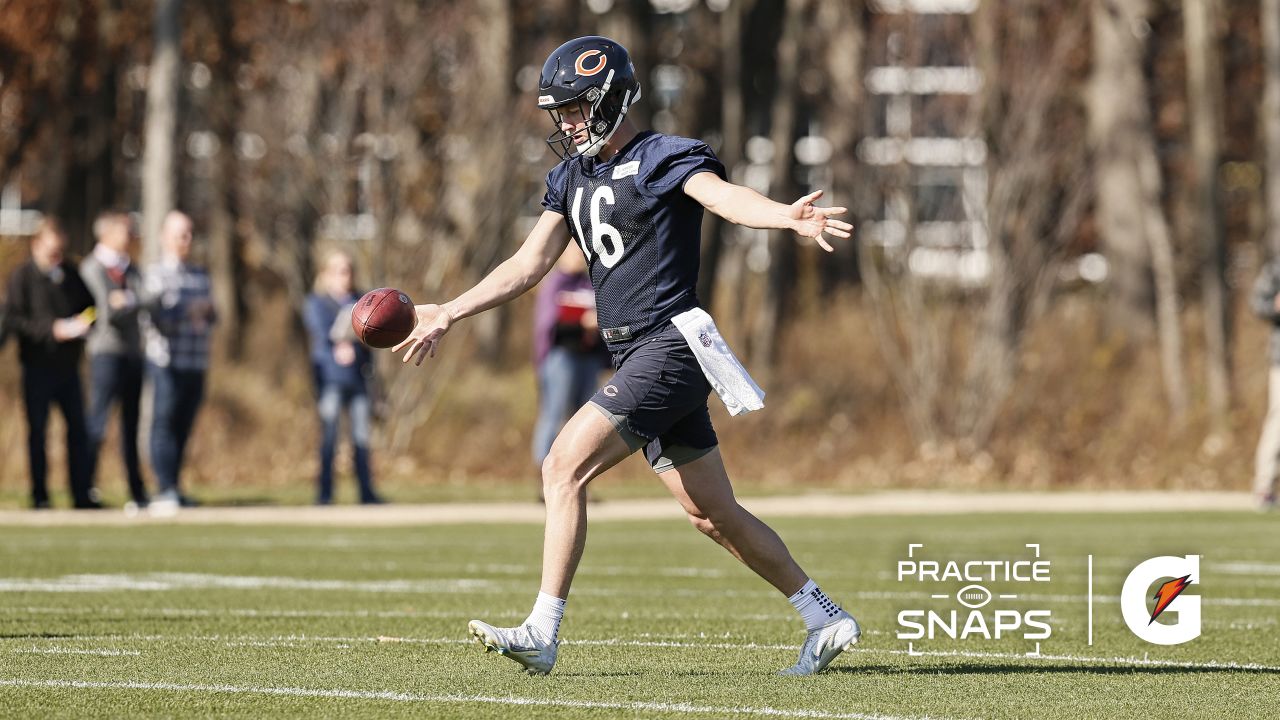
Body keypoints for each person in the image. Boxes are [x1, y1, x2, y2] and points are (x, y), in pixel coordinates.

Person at [394, 36, 857, 676]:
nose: (570, 122)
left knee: (561, 466)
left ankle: (542, 630)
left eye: (580, 108)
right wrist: (450, 309)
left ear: (614, 99)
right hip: (635, 353)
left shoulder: (664, 156)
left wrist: (784, 216)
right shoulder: (570, 177)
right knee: (710, 514)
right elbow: (528, 264)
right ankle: (824, 616)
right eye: (563, 112)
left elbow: (722, 197)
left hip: (671, 345)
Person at [4, 218, 99, 509]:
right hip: (37, 366)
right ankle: (40, 495)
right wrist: (51, 330)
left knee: (78, 432)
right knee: (38, 433)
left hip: (68, 367)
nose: (56, 257)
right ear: (37, 246)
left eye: (59, 252)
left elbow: (92, 308)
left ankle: (81, 494)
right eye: (51, 252)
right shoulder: (22, 277)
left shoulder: (70, 273)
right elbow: (14, 321)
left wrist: (83, 324)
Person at [143, 211, 216, 512]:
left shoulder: (200, 275)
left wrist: (207, 312)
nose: (185, 240)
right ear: (164, 237)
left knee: (184, 427)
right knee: (163, 425)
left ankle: (175, 485)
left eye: (188, 233)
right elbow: (153, 318)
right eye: (178, 234)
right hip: (166, 363)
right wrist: (187, 313)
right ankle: (165, 488)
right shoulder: (155, 274)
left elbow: (215, 317)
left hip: (196, 362)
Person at [80, 211, 151, 510]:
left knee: (131, 425)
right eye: (125, 230)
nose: (131, 235)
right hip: (105, 354)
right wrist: (128, 303)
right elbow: (105, 313)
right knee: (98, 421)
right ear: (107, 233)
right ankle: (85, 487)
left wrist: (129, 301)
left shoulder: (130, 269)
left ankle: (137, 490)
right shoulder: (92, 268)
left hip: (132, 354)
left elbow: (149, 298)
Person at [303, 250, 382, 505]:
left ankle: (366, 493)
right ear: (326, 275)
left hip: (358, 378)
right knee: (329, 438)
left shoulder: (363, 301)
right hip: (330, 380)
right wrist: (339, 345)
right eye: (338, 270)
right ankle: (325, 494)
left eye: (348, 270)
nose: (344, 276)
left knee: (361, 438)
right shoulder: (317, 302)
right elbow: (322, 332)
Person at [530, 247, 609, 498]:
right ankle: (545, 482)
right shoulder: (555, 285)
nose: (579, 258)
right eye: (574, 253)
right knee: (553, 417)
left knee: (584, 422)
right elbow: (547, 324)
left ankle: (579, 481)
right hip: (561, 358)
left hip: (589, 359)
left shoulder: (590, 285)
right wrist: (580, 322)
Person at [1251, 256, 1280, 511]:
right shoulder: (1276, 269)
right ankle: (1264, 487)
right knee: (1278, 422)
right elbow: (1258, 303)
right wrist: (1274, 306)